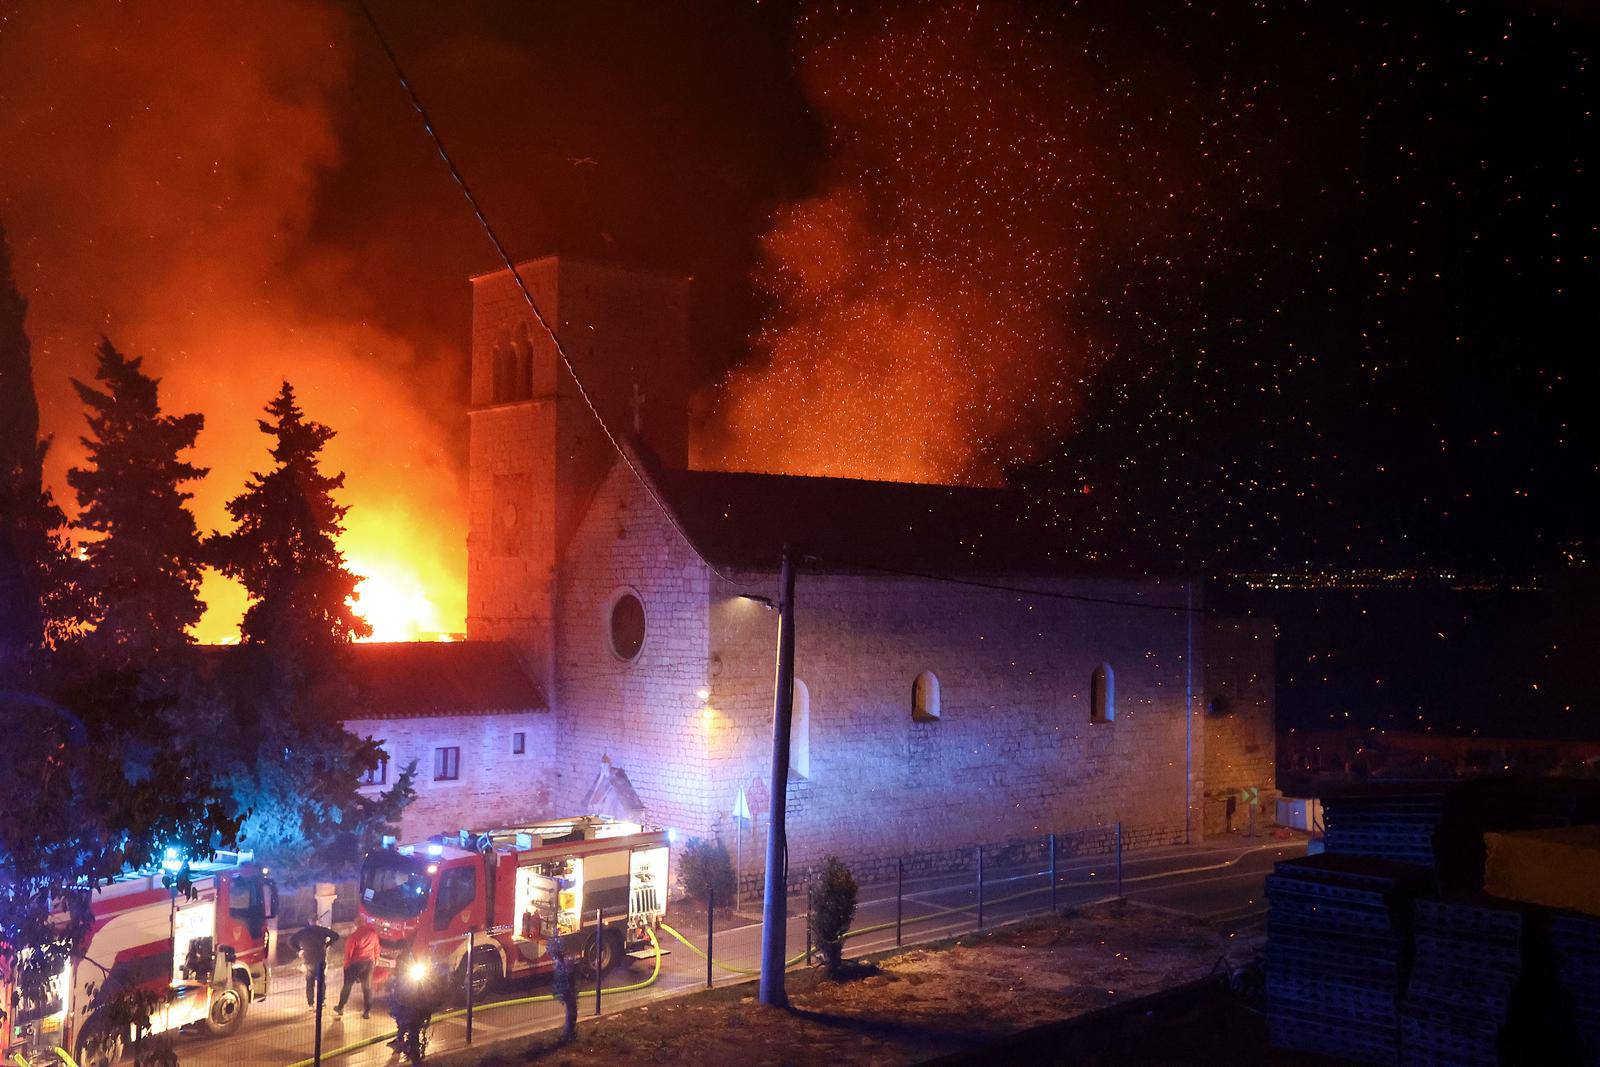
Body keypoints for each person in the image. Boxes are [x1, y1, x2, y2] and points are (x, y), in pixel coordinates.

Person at [335, 922, 381, 1019]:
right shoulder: (373, 934)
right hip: (369, 963)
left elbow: (348, 953)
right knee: (367, 988)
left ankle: (340, 1008)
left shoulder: (353, 937)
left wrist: (346, 965)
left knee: (347, 985)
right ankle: (367, 1012)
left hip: (355, 964)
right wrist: (376, 959)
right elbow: (377, 947)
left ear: (356, 926)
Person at [290, 924, 340, 1009]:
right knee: (321, 982)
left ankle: (311, 1004)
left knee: (310, 984)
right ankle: (322, 1002)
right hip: (320, 960)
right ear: (317, 921)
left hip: (308, 961)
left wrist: (299, 950)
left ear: (309, 921)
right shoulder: (321, 930)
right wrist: (327, 944)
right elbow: (336, 936)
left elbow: (291, 941)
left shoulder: (304, 931)